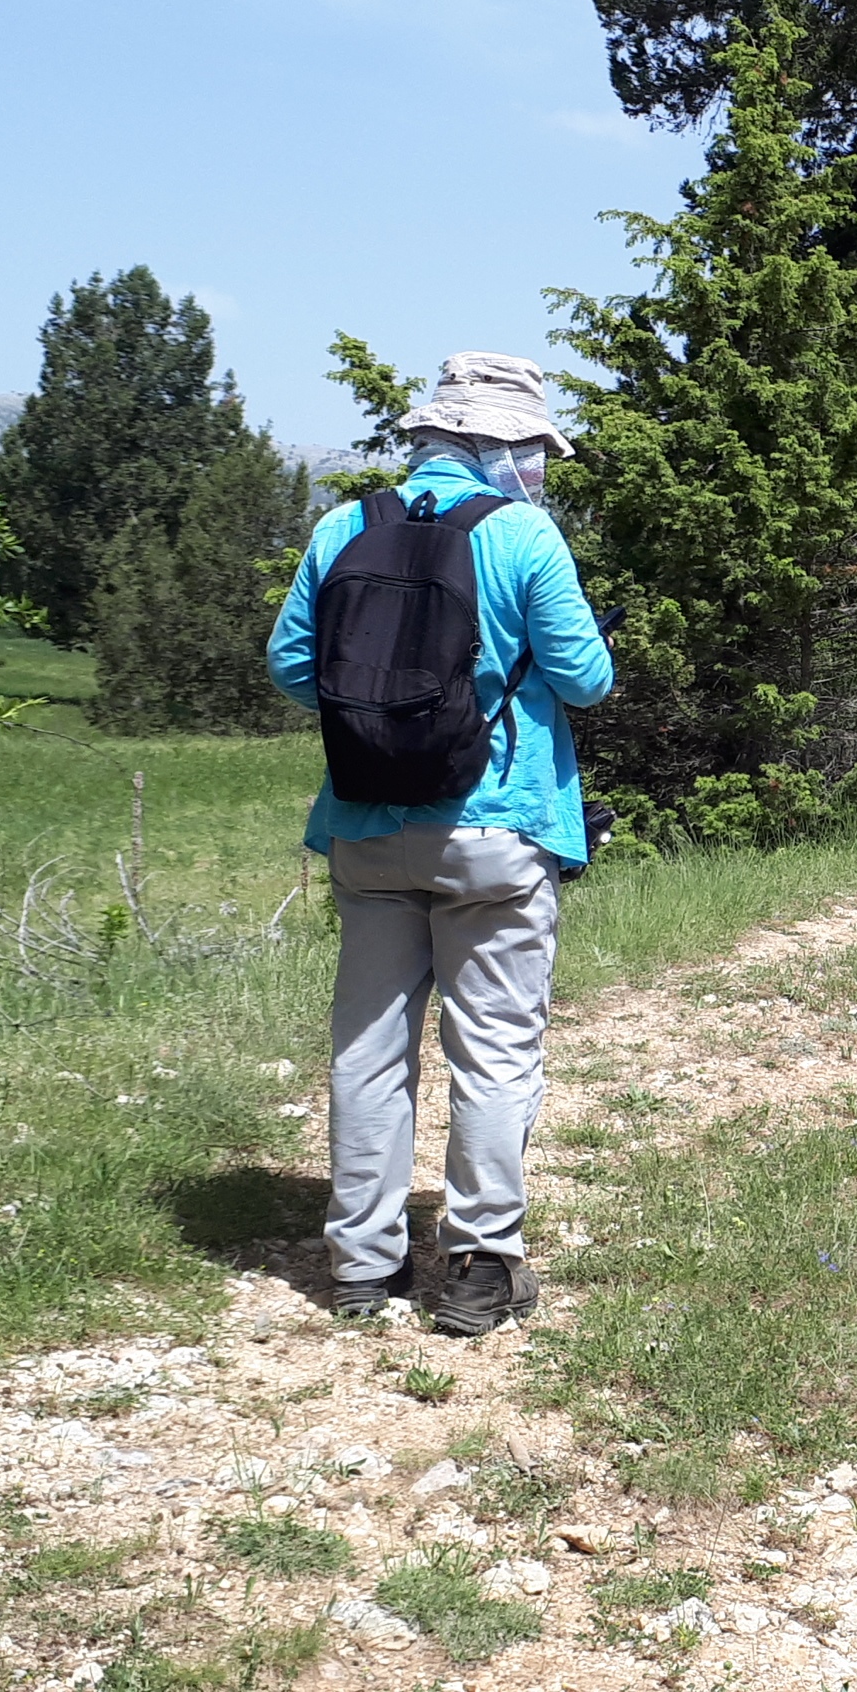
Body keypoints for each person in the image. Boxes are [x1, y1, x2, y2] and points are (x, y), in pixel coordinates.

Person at [266, 352, 614, 1336]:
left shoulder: (345, 526)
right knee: (495, 1052)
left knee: (368, 1052)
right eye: (533, 450)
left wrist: (381, 715)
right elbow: (586, 680)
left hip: (369, 824)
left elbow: (294, 664)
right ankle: (476, 1271)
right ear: (503, 444)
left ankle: (363, 1272)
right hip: (499, 827)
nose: (539, 466)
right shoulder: (524, 536)